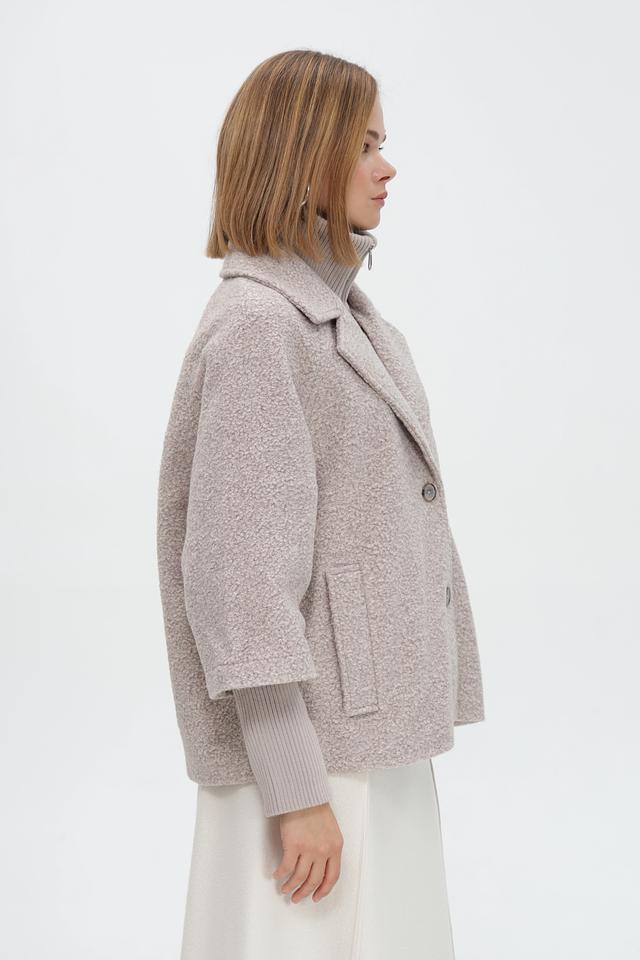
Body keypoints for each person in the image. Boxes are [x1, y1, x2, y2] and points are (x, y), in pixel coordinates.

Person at [156, 48, 486, 959]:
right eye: (365, 144)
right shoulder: (261, 328)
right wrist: (296, 788)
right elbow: (238, 583)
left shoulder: (354, 322)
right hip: (309, 767)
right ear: (303, 156)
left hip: (368, 743)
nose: (388, 166)